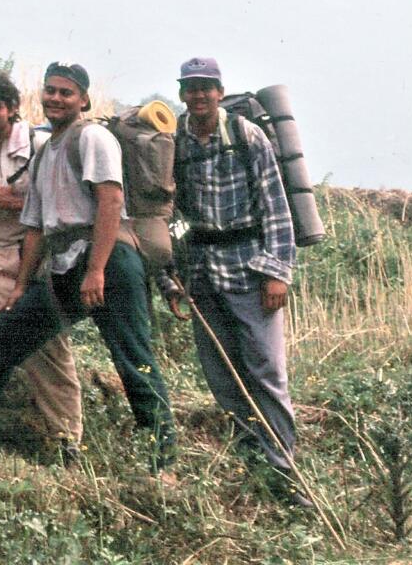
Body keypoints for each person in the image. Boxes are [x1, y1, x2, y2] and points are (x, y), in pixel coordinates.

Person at [0, 62, 177, 475]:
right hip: (65, 265)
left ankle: (163, 463)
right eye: (50, 90)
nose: (55, 98)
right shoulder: (45, 153)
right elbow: (35, 228)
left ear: (83, 100)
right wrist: (21, 286)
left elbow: (111, 201)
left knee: (133, 358)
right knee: (3, 338)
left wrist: (96, 270)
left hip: (108, 261)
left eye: (66, 92)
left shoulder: (92, 137)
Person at [165, 56, 309, 506]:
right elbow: (172, 215)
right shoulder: (176, 142)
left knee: (266, 372)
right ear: (182, 93)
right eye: (190, 87)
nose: (198, 95)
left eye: (206, 87)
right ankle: (252, 467)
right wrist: (174, 279)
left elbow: (275, 206)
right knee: (223, 377)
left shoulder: (246, 136)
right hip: (202, 273)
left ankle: (284, 474)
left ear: (220, 92)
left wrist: (277, 272)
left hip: (250, 269)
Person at [0, 70, 83, 460]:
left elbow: (67, 206)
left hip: (38, 261)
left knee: (48, 352)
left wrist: (16, 202)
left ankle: (67, 439)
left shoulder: (43, 145)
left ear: (12, 108)